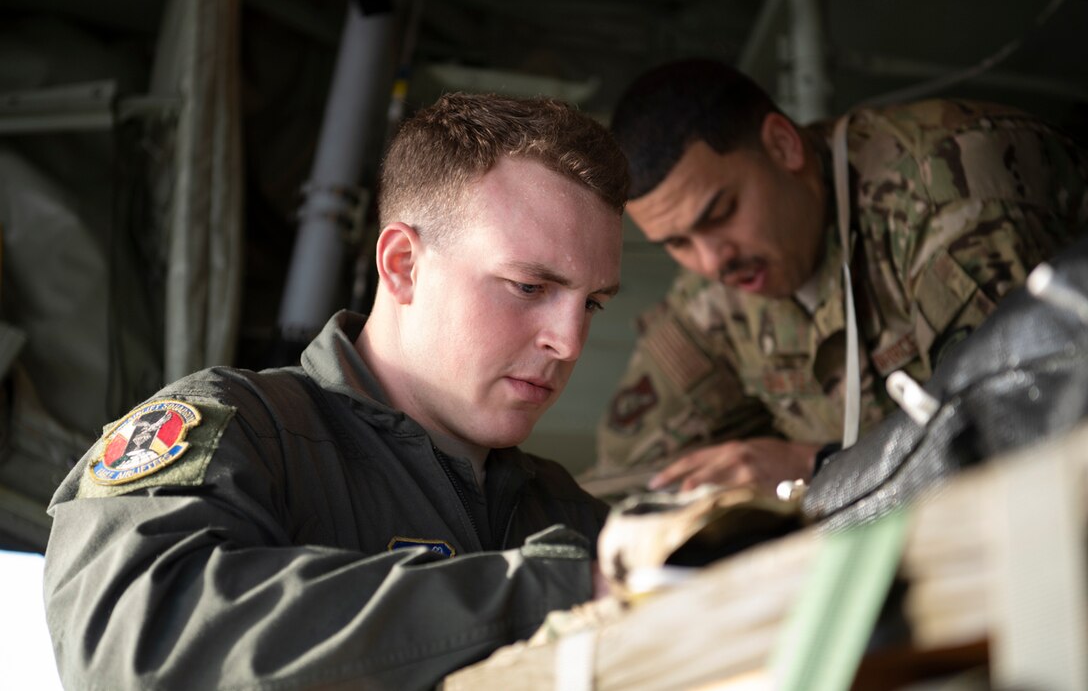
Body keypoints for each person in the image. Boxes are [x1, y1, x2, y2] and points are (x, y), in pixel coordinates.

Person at [43, 92, 628, 690]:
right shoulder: (246, 435)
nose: (569, 342)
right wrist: (549, 594)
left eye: (592, 304)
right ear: (402, 265)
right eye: (529, 287)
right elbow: (139, 649)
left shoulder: (579, 521)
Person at [584, 58, 1088, 499]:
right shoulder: (710, 294)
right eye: (677, 243)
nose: (713, 261)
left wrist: (816, 467)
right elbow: (633, 472)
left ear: (783, 146)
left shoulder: (945, 193)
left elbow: (1010, 428)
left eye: (720, 213)